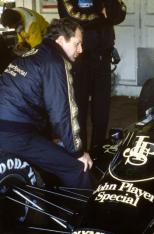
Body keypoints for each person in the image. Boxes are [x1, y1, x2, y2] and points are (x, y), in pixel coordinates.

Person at [0, 18, 93, 189]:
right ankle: (85, 215)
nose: (81, 50)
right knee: (77, 168)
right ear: (60, 40)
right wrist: (78, 153)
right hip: (14, 133)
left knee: (53, 149)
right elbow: (62, 115)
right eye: (77, 43)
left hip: (11, 126)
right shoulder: (55, 62)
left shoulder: (33, 54)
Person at [57, 0, 125, 150]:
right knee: (78, 110)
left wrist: (103, 12)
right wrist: (101, 16)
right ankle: (79, 154)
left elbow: (119, 15)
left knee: (102, 111)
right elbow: (72, 18)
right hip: (79, 58)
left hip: (103, 58)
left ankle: (98, 150)